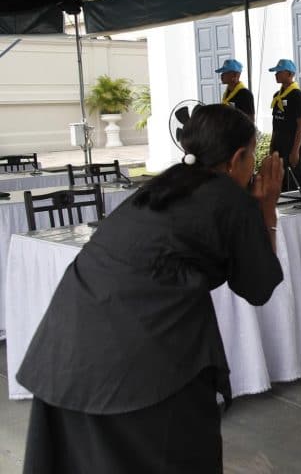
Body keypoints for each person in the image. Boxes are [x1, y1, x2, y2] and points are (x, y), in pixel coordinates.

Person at [17, 105, 285, 473]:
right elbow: (259, 286)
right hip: (138, 363)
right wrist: (266, 207)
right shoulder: (229, 199)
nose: (254, 165)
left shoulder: (163, 184)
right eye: (252, 155)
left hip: (67, 347)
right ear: (238, 157)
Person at [268, 58, 301, 192]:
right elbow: (275, 123)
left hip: (292, 143)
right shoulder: (276, 96)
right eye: (275, 72)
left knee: (295, 184)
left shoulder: (297, 95)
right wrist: (272, 146)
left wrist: (295, 150)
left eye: (279, 72)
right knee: (281, 182)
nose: (276, 74)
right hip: (279, 144)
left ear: (290, 74)